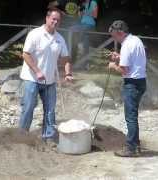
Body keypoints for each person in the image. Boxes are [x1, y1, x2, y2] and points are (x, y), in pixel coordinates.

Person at [19, 8, 73, 142]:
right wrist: (37, 71)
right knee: (29, 107)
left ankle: (48, 137)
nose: (55, 22)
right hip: (31, 78)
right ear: (47, 18)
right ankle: (21, 136)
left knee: (50, 110)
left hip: (50, 80)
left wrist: (68, 73)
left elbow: (66, 58)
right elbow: (26, 54)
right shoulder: (35, 34)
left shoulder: (59, 39)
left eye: (58, 20)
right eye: (53, 19)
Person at [107, 20, 147, 157]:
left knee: (130, 117)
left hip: (132, 83)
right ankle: (135, 145)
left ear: (120, 32)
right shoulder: (135, 40)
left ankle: (131, 148)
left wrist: (113, 66)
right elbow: (134, 60)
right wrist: (119, 57)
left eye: (114, 35)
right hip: (141, 81)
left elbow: (124, 70)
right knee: (133, 115)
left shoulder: (126, 45)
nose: (114, 38)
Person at [71, 0, 98, 68]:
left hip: (90, 25)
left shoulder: (93, 2)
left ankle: (78, 43)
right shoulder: (82, 3)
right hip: (82, 25)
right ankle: (84, 64)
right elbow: (80, 17)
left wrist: (86, 11)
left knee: (80, 42)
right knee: (86, 44)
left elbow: (95, 16)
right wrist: (80, 10)